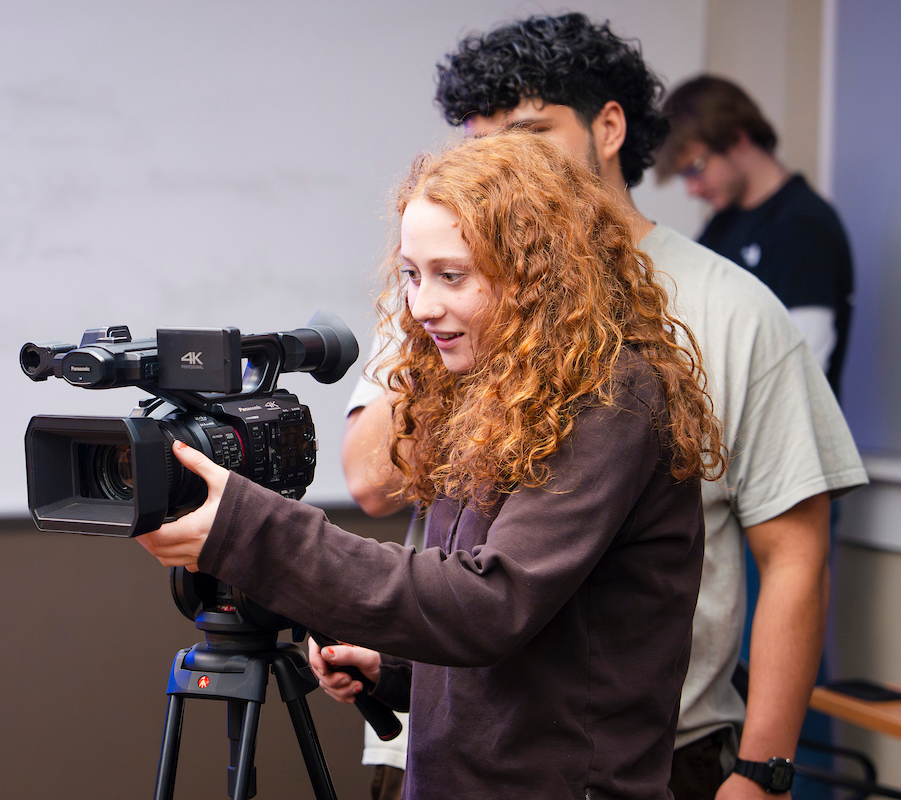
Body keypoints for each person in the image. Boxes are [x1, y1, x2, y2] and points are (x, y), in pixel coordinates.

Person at [339, 13, 866, 800]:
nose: (505, 164)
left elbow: (794, 555)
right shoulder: (444, 296)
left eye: (528, 133)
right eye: (481, 146)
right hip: (430, 737)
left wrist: (762, 772)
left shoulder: (734, 311)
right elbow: (374, 485)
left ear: (609, 127)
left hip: (639, 755)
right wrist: (452, 344)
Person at [139, 130, 725, 799]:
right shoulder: (492, 387)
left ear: (543, 277)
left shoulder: (612, 397)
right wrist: (393, 668)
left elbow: (489, 603)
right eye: (413, 275)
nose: (421, 306)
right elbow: (527, 639)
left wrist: (254, 530)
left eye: (453, 276)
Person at [656, 75, 854, 396]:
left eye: (696, 168)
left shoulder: (802, 226)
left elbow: (804, 369)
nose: (692, 189)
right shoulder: (720, 226)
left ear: (737, 139)